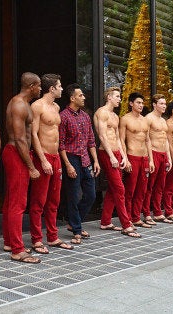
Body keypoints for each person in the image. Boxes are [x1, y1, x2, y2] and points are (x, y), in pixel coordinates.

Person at [27, 74, 74, 255]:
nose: (62, 89)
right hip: (42, 157)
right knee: (39, 201)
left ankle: (52, 236)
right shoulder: (37, 106)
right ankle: (37, 239)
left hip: (55, 157)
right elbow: (34, 135)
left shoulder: (56, 107)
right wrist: (43, 159)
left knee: (54, 200)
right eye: (60, 86)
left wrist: (57, 159)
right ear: (52, 88)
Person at [1, 72, 42, 264]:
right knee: (18, 204)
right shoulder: (19, 104)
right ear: (32, 86)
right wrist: (31, 166)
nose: (40, 89)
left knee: (12, 201)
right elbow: (19, 139)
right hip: (16, 153)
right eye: (39, 86)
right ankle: (17, 250)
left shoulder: (23, 104)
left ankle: (10, 242)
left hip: (18, 153)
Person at [94, 87, 139, 238]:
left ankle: (106, 221)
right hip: (106, 152)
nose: (120, 99)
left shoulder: (115, 116)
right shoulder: (102, 112)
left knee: (114, 188)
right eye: (117, 96)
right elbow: (102, 135)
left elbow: (118, 138)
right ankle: (126, 225)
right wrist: (111, 156)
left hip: (117, 152)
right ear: (109, 97)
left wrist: (123, 157)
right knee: (120, 189)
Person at [59, 84, 100, 244]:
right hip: (71, 158)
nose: (84, 97)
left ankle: (73, 220)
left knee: (91, 195)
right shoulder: (63, 116)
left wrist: (95, 160)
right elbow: (61, 144)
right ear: (72, 98)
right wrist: (68, 165)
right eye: (80, 95)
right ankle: (76, 228)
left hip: (85, 159)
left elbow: (91, 141)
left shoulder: (85, 116)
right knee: (73, 195)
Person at [119, 92, 154, 228]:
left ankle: (136, 217)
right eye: (138, 102)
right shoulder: (125, 119)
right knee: (130, 190)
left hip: (144, 157)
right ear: (131, 103)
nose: (141, 105)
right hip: (132, 156)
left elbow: (148, 140)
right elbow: (121, 140)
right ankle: (127, 218)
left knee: (142, 190)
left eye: (142, 103)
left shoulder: (145, 120)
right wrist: (125, 159)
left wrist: (151, 160)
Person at [142, 94, 173, 223]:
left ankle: (157, 212)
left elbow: (165, 140)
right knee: (149, 186)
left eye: (165, 104)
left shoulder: (163, 120)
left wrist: (169, 158)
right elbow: (146, 139)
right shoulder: (148, 118)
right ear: (154, 104)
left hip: (163, 154)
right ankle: (146, 213)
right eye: (161, 103)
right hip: (153, 153)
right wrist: (150, 159)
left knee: (160, 185)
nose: (164, 106)